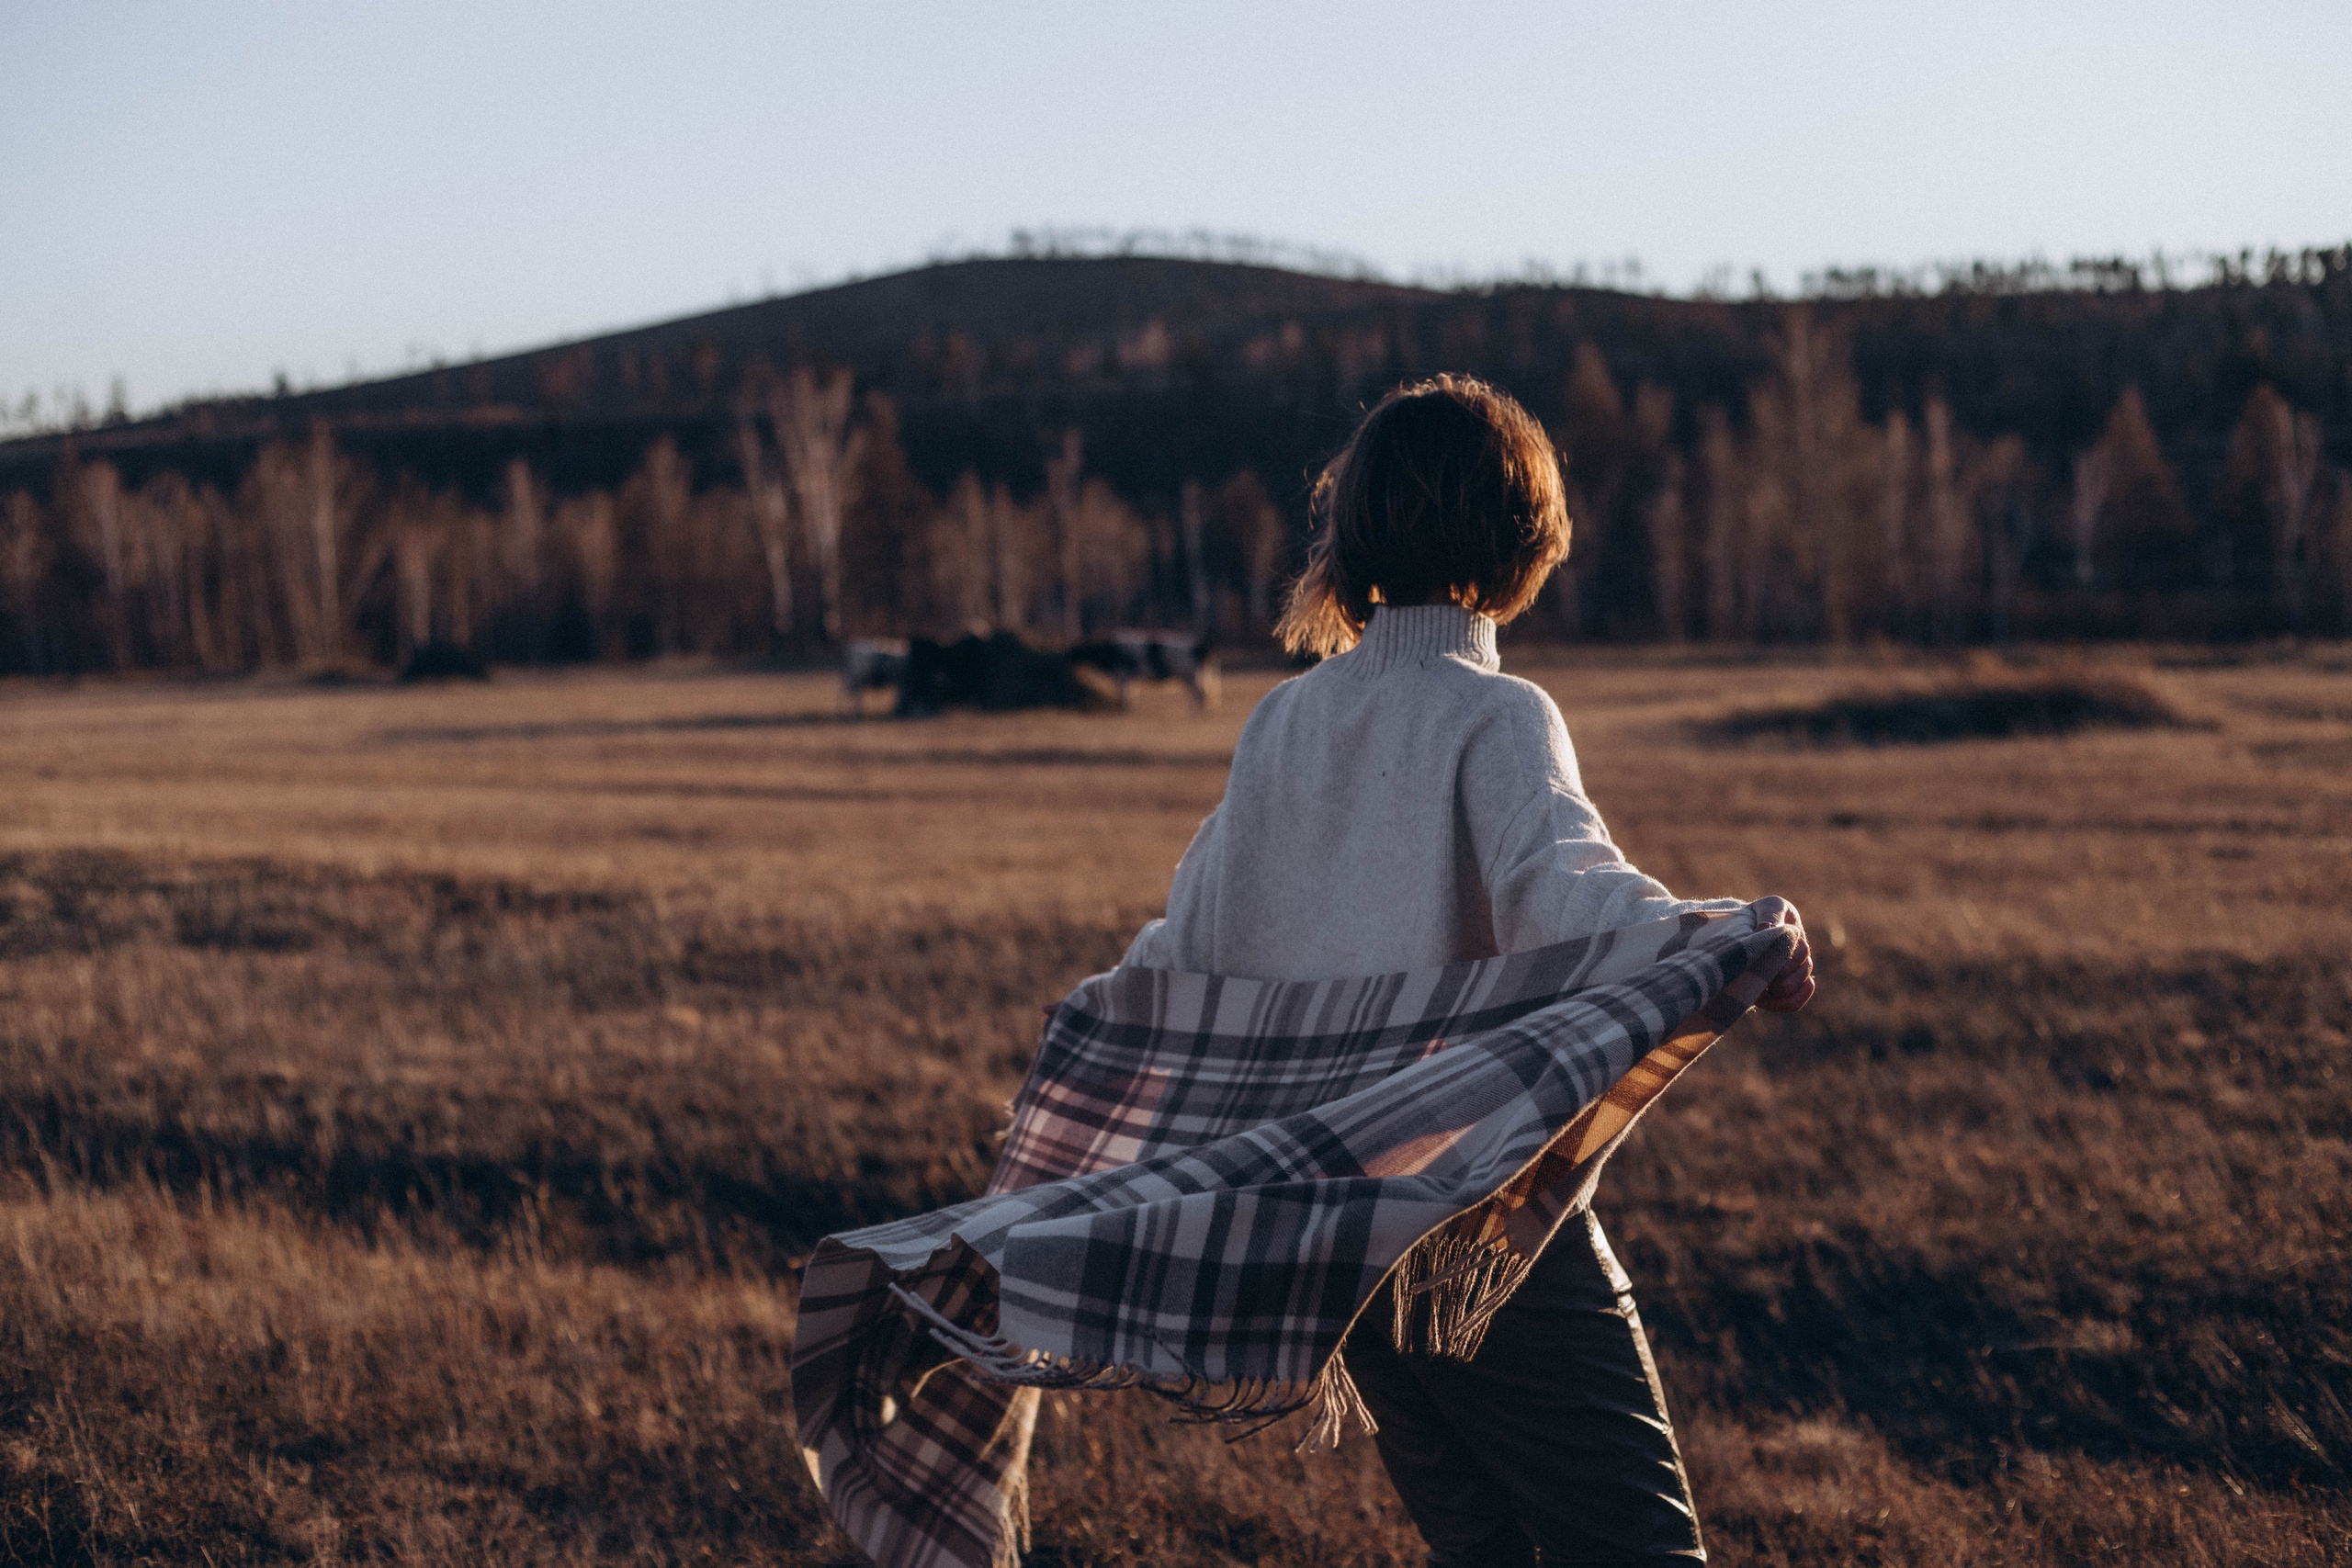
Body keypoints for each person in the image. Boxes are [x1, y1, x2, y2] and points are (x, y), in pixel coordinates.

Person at [1120, 375, 1814, 1566]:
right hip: (1480, 1234)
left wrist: (1093, 1028)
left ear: (1357, 529)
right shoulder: (1497, 714)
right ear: (1520, 537)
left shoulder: (1284, 720)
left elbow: (1188, 943)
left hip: (1340, 1239)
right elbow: (1570, 898)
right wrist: (1729, 938)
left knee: (1485, 1550)